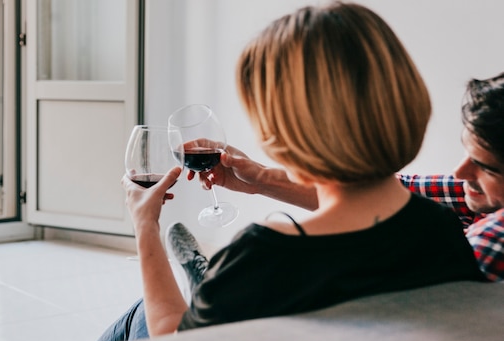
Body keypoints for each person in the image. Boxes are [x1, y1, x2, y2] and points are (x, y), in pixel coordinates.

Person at [93, 2, 485, 341]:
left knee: (138, 317)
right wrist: (263, 179)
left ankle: (203, 285)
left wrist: (146, 224)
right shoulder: (440, 228)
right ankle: (204, 288)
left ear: (284, 130)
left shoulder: (264, 257)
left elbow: (173, 340)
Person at [191, 71, 504, 282]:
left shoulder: (485, 248)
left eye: (486, 166)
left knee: (146, 317)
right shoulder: (467, 207)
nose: (460, 172)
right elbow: (384, 196)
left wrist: (146, 222)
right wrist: (261, 180)